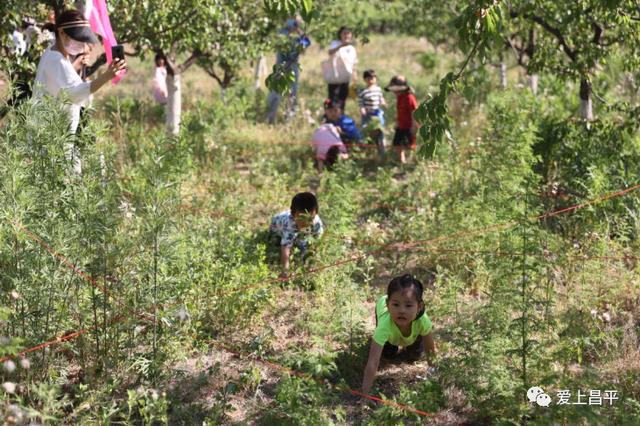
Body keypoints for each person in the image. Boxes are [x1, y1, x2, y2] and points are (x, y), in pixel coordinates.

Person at [34, 9, 126, 172]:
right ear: (62, 33)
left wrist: (76, 64)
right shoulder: (56, 60)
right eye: (78, 40)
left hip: (56, 138)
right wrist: (106, 76)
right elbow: (74, 93)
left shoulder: (54, 53)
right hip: (54, 142)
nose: (82, 46)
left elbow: (63, 81)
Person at [362, 274, 436, 394]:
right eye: (396, 305)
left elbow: (430, 351)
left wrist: (434, 375)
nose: (401, 310)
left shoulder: (423, 321)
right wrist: (365, 394)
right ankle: (391, 346)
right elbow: (372, 363)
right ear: (387, 304)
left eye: (408, 305)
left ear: (419, 306)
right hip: (390, 335)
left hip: (412, 336)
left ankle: (410, 346)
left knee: (414, 355)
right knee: (388, 355)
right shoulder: (384, 327)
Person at [265, 17, 311, 124]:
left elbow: (306, 43)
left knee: (292, 93)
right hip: (280, 65)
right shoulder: (282, 32)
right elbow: (279, 43)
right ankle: (270, 117)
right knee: (275, 92)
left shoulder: (298, 35)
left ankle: (289, 118)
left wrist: (300, 32)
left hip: (293, 66)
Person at [269, 192, 324, 275]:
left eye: (310, 219)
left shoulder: (317, 223)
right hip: (278, 229)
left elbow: (317, 242)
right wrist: (285, 272)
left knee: (304, 246)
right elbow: (285, 248)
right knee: (278, 242)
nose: (307, 223)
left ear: (316, 213)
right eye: (302, 220)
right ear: (293, 215)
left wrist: (313, 263)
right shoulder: (289, 223)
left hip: (297, 231)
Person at [385, 75, 418, 164]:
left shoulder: (409, 97)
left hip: (409, 126)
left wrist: (414, 126)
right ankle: (401, 160)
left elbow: (414, 112)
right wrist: (397, 122)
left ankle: (414, 160)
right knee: (397, 144)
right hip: (401, 125)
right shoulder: (400, 97)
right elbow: (400, 111)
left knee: (410, 145)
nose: (394, 92)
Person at [324, 26, 357, 110]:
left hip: (345, 77)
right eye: (344, 33)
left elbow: (353, 63)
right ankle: (332, 117)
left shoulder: (351, 48)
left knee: (343, 98)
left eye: (348, 33)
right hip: (334, 76)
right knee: (334, 97)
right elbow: (330, 52)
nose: (346, 35)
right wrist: (341, 45)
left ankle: (340, 117)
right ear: (340, 35)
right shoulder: (335, 43)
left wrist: (354, 77)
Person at [358, 69, 386, 155]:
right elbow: (361, 103)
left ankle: (382, 151)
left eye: (372, 78)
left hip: (377, 113)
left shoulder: (378, 89)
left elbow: (381, 98)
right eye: (368, 78)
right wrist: (362, 109)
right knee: (365, 131)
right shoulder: (363, 91)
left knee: (380, 131)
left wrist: (383, 102)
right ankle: (365, 150)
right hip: (367, 114)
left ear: (375, 79)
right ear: (365, 80)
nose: (370, 80)